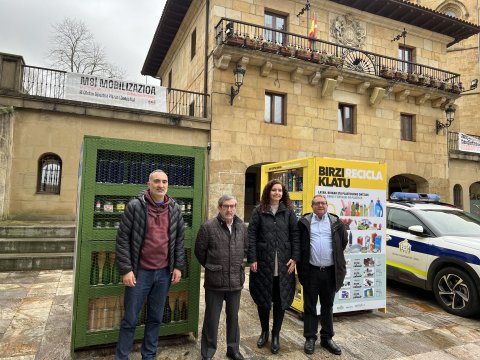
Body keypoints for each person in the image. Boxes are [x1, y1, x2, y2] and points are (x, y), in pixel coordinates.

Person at [115, 170, 184, 360]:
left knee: (155, 318)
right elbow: (122, 240)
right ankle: (121, 357)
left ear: (168, 184)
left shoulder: (175, 209)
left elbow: (179, 241)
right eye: (157, 182)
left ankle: (149, 355)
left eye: (164, 181)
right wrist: (127, 269)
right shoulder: (135, 207)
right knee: (130, 318)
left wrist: (178, 266)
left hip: (163, 273)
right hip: (140, 273)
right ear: (149, 184)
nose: (161, 185)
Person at [247, 179, 300, 354]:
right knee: (263, 301)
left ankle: (276, 334)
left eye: (280, 190)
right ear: (268, 192)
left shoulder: (289, 212)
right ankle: (264, 332)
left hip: (284, 264)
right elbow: (252, 235)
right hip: (263, 263)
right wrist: (252, 258)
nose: (277, 193)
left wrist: (295, 257)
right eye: (274, 190)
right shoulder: (258, 211)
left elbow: (295, 236)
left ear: (283, 193)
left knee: (280, 301)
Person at [195, 195, 248, 360]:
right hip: (215, 282)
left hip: (235, 281)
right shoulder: (208, 227)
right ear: (219, 208)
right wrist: (212, 267)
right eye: (226, 206)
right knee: (212, 318)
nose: (229, 209)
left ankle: (233, 349)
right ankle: (208, 352)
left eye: (233, 206)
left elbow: (245, 249)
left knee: (233, 318)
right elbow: (200, 252)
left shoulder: (242, 227)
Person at [297, 194, 348, 356]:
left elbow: (343, 243)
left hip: (330, 272)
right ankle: (310, 338)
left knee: (327, 306)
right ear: (312, 206)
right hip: (311, 271)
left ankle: (327, 338)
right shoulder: (304, 222)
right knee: (310, 306)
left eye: (323, 203)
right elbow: (298, 244)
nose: (321, 205)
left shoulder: (336, 223)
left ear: (327, 206)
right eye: (317, 203)